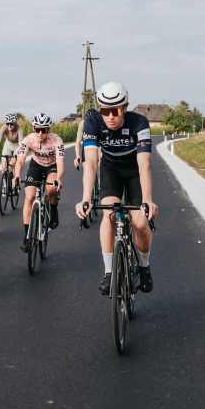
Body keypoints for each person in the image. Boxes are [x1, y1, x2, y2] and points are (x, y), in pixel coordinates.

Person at [74, 82, 159, 295]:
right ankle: (110, 271)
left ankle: (144, 266)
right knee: (109, 215)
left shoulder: (139, 122)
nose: (110, 116)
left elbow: (144, 163)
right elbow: (91, 162)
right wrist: (85, 197)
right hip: (111, 169)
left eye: (116, 110)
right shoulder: (92, 122)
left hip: (134, 171)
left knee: (140, 222)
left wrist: (148, 200)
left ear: (125, 107)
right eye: (105, 111)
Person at [13, 112, 67, 250]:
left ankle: (53, 209)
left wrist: (59, 179)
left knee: (51, 189)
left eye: (44, 130)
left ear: (49, 130)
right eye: (38, 129)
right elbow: (20, 160)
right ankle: (27, 237)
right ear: (33, 129)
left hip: (52, 166)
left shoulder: (57, 140)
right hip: (36, 166)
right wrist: (17, 175)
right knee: (29, 197)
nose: (41, 133)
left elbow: (60, 163)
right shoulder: (28, 140)